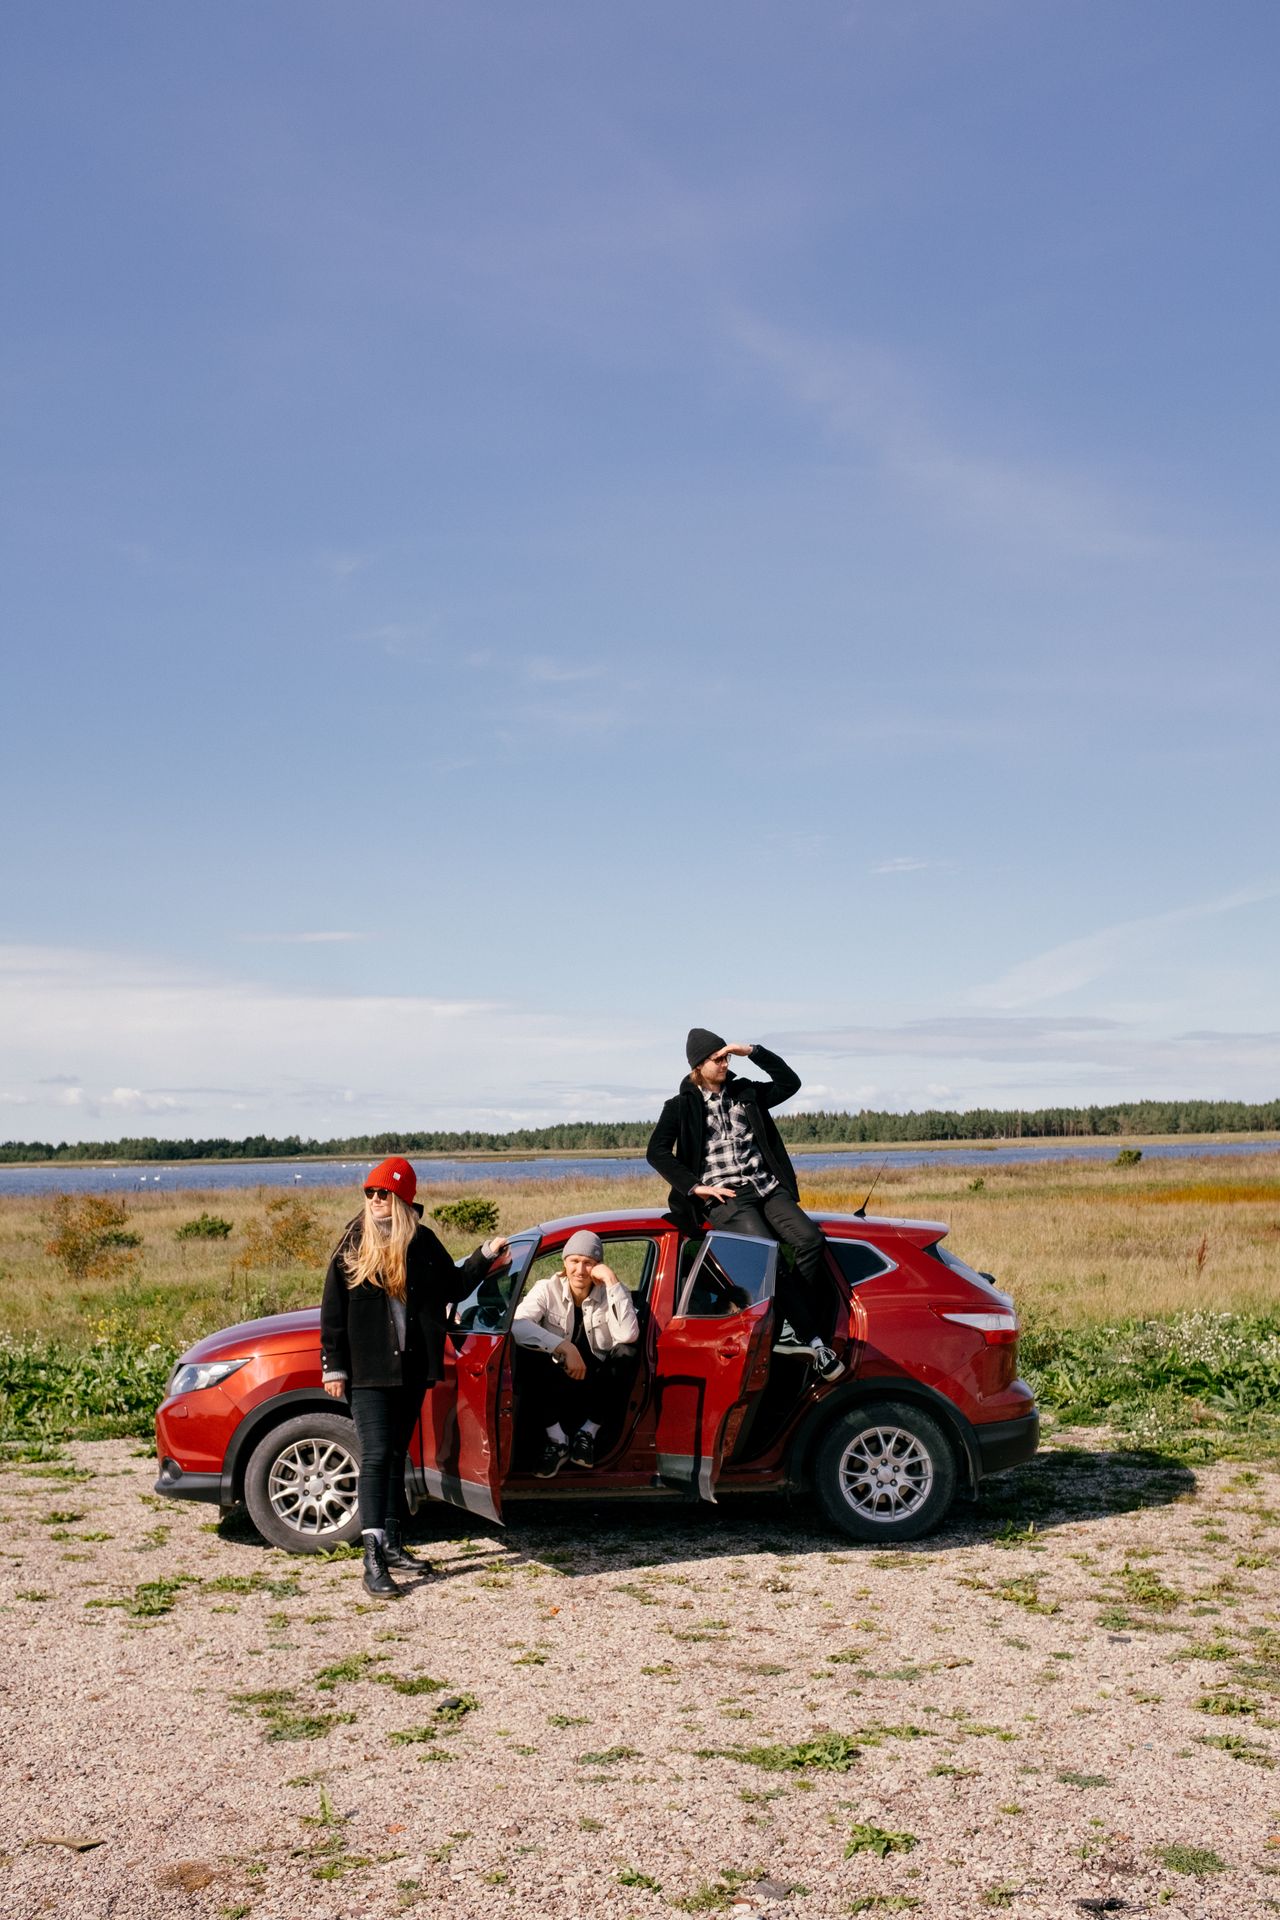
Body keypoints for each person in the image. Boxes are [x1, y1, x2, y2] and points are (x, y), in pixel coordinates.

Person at [320, 1157, 509, 1596]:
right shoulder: (354, 1242)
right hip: (368, 1372)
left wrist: (485, 1254)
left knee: (395, 1458)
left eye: (383, 1193)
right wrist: (334, 1365)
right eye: (370, 1193)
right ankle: (371, 1558)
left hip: (409, 1368)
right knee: (376, 1455)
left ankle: (391, 1545)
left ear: (402, 1198)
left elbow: (455, 1285)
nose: (375, 1200)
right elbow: (333, 1310)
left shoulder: (422, 1242)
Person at [646, 1029, 842, 1381]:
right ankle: (813, 1339)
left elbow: (790, 1083)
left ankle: (783, 1325)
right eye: (717, 1059)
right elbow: (656, 1151)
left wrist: (753, 1051)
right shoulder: (679, 1108)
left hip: (765, 1187)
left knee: (810, 1240)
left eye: (727, 1058)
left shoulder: (746, 1092)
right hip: (726, 1196)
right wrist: (695, 1187)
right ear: (698, 1066)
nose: (724, 1064)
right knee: (768, 1257)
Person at [512, 1230, 640, 1476]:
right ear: (564, 1262)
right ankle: (557, 1440)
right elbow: (517, 1325)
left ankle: (587, 1434)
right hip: (557, 1379)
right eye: (574, 1261)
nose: (580, 1270)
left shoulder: (612, 1291)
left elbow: (628, 1335)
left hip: (599, 1385)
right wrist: (564, 1347)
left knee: (626, 1352)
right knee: (527, 1354)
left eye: (588, 1263)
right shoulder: (546, 1289)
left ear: (598, 1266)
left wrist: (612, 1281)